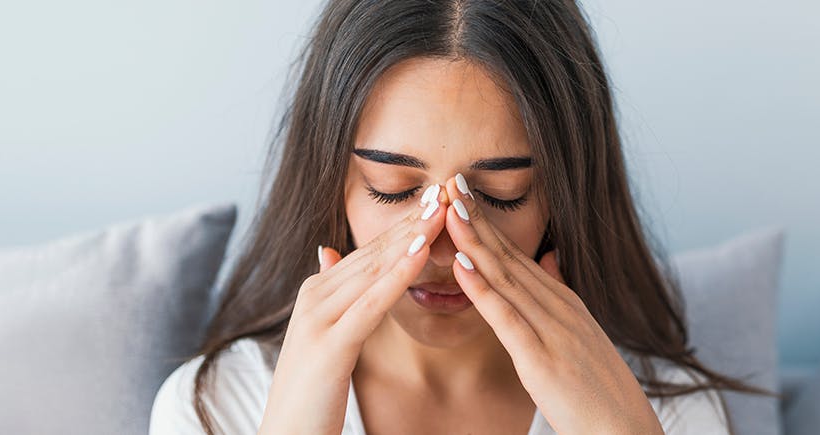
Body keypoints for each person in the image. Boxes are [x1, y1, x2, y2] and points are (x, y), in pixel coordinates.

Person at [150, 0, 767, 433]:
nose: (443, 247)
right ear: (331, 182)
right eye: (391, 190)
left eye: (500, 194)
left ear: (563, 194)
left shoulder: (664, 412)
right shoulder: (215, 407)